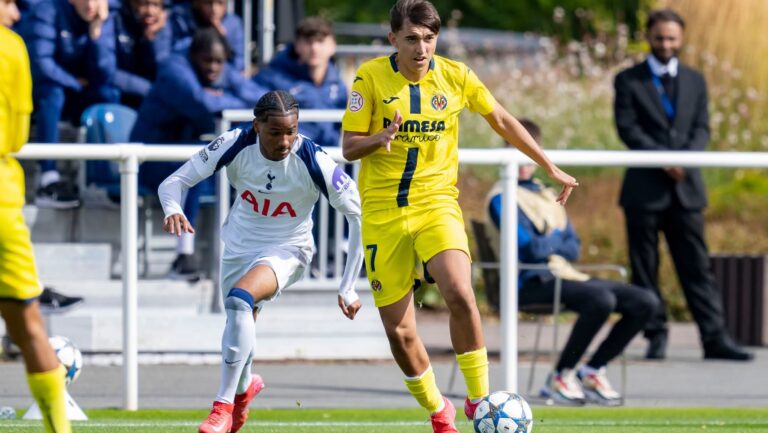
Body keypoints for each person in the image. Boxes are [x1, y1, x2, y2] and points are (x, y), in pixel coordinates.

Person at [341, 1, 578, 431]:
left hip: (436, 204)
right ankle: (438, 412)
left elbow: (502, 119)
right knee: (400, 333)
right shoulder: (369, 77)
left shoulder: (457, 76)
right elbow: (348, 147)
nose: (421, 48)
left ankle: (479, 400)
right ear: (393, 38)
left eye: (429, 39)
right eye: (411, 39)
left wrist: (548, 164)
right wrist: (380, 137)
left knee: (460, 291)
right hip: (383, 213)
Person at [158, 90, 364, 433]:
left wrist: (348, 286)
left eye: (291, 131)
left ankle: (221, 407)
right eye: (275, 132)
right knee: (240, 322)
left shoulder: (314, 160)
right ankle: (243, 390)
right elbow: (174, 182)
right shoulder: (235, 142)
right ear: (256, 126)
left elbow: (357, 215)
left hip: (289, 250)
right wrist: (173, 208)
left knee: (241, 300)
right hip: (238, 247)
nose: (285, 141)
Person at [485, 119, 658, 405]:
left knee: (644, 301)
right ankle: (560, 375)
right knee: (599, 299)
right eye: (518, 150)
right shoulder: (501, 197)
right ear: (506, 151)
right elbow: (528, 250)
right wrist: (555, 241)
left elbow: (573, 246)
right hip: (527, 282)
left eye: (532, 152)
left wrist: (550, 241)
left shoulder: (544, 191)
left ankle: (592, 370)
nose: (525, 161)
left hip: (564, 274)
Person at [614, 8, 753, 361]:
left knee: (697, 267)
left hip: (686, 191)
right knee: (645, 268)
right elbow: (628, 128)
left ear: (682, 39)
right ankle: (655, 335)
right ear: (648, 37)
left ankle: (715, 338)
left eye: (672, 38)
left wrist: (685, 160)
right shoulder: (628, 79)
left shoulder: (695, 80)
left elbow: (702, 128)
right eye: (659, 37)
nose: (665, 44)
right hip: (644, 190)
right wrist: (664, 158)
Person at [131, 28, 264, 280]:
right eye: (208, 61)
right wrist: (223, 98)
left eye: (219, 62)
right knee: (198, 167)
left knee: (242, 171)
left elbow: (258, 97)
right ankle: (183, 257)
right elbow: (202, 103)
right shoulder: (174, 71)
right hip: (148, 159)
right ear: (194, 57)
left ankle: (251, 255)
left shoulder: (218, 67)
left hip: (182, 154)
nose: (214, 67)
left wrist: (223, 97)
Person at [0, 1, 72, 431]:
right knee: (27, 321)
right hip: (2, 196)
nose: (13, 13)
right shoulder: (11, 48)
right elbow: (19, 133)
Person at [24, 0, 119, 209]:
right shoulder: (47, 10)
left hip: (78, 93)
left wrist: (97, 35)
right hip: (45, 92)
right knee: (53, 93)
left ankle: (108, 179)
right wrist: (75, 83)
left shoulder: (104, 18)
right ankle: (48, 179)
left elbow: (106, 73)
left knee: (108, 95)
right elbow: (41, 64)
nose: (92, 4)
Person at [253, 16, 347, 149]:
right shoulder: (272, 78)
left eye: (320, 41)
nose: (314, 48)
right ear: (297, 45)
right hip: (287, 159)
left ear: (333, 45)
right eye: (308, 42)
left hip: (328, 160)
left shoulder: (339, 85)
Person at [113, 0, 173, 109]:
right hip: (125, 91)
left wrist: (151, 40)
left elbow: (163, 69)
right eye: (144, 3)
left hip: (153, 96)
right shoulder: (116, 20)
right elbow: (108, 71)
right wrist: (147, 89)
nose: (150, 11)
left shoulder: (164, 25)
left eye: (155, 5)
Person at [170, 0, 244, 72]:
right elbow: (175, 55)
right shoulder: (182, 19)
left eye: (220, 3)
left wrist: (223, 39)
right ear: (196, 3)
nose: (214, 9)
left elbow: (238, 63)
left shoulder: (233, 23)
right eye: (208, 2)